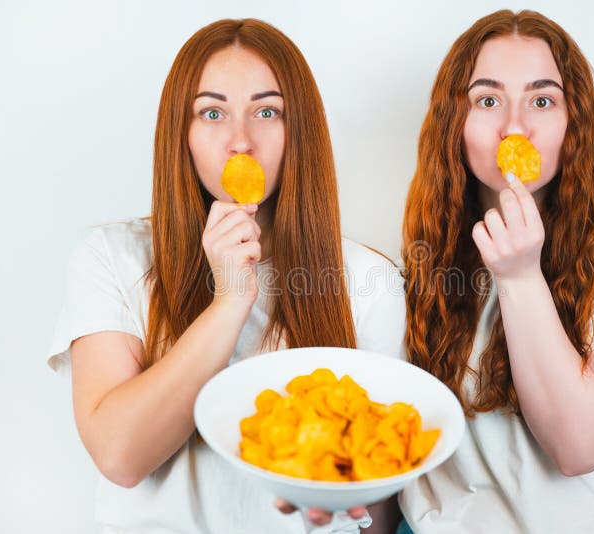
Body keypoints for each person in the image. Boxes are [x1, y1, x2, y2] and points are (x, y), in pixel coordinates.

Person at [46, 18, 404, 534]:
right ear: (182, 135)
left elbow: (379, 512)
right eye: (213, 113)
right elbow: (120, 456)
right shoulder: (110, 257)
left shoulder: (369, 280)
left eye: (267, 111)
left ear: (299, 130)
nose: (241, 141)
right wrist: (229, 302)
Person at [399, 10, 594, 534]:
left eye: (542, 100)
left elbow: (580, 448)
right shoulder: (424, 262)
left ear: (574, 121)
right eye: (487, 101)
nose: (515, 127)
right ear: (453, 124)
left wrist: (520, 278)